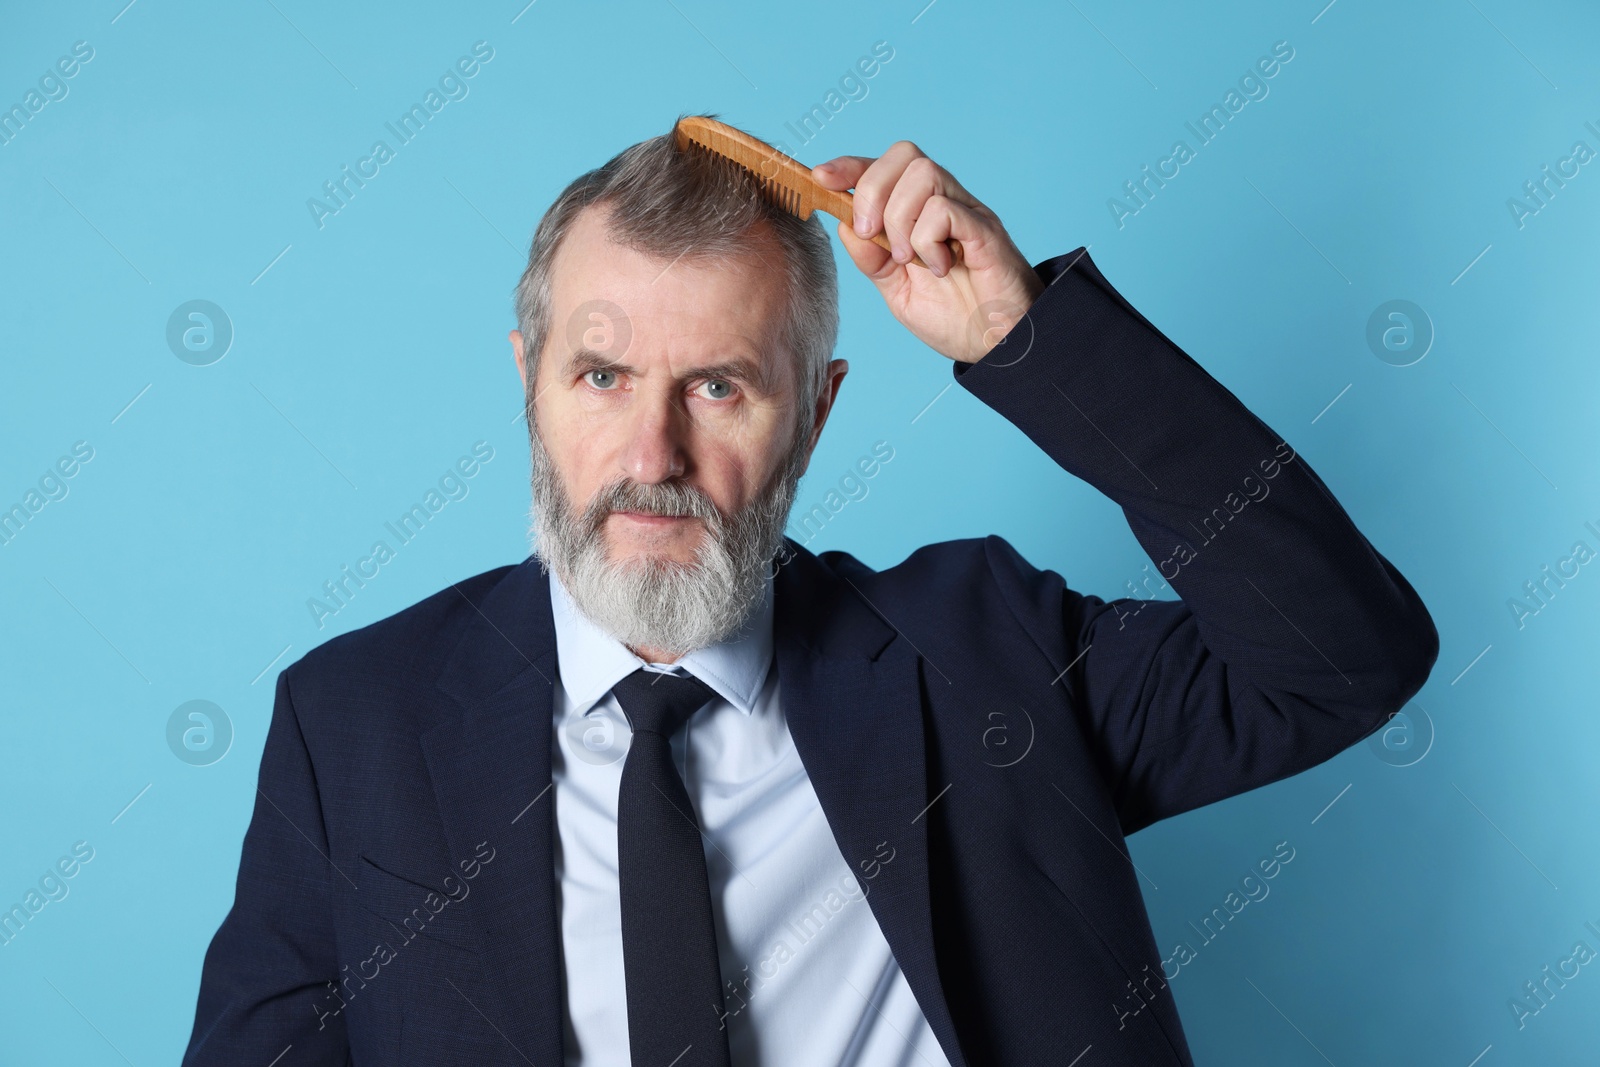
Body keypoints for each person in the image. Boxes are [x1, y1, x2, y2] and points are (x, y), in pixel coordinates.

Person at [181, 115, 1438, 1067]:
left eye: (719, 386)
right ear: (530, 382)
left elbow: (1341, 658)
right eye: (603, 377)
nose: (652, 459)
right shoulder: (351, 720)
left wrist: (1023, 336)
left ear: (817, 411)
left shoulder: (986, 651)